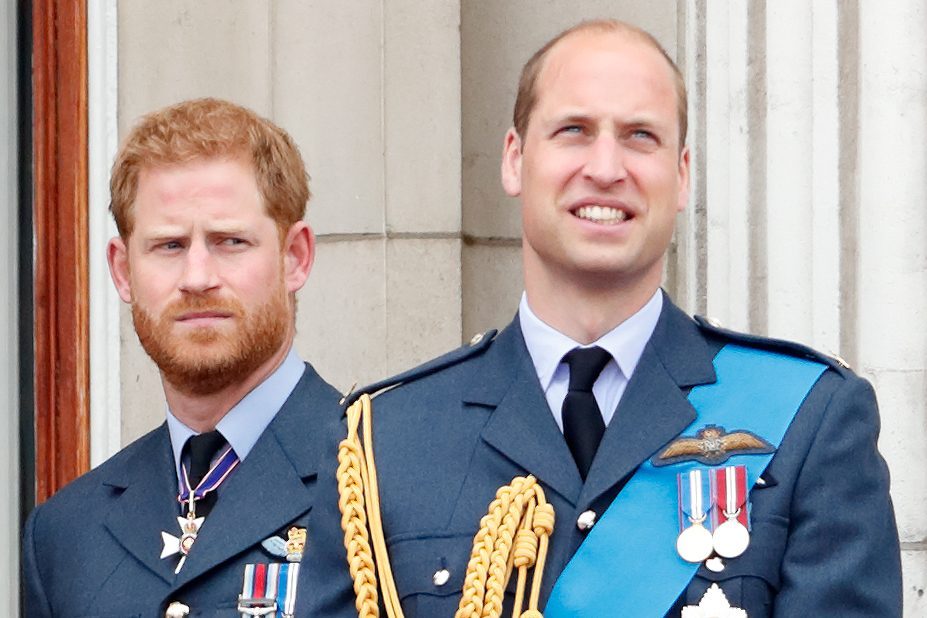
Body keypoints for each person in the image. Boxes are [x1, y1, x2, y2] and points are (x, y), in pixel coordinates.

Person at [302, 19, 902, 617]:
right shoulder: (384, 441)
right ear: (515, 160)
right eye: (574, 131)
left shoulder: (810, 419)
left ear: (682, 174)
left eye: (641, 135)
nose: (607, 168)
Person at [22, 98, 342, 617]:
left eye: (230, 241)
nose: (197, 277)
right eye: (169, 246)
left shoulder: (382, 485)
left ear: (295, 257)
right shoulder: (64, 535)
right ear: (123, 271)